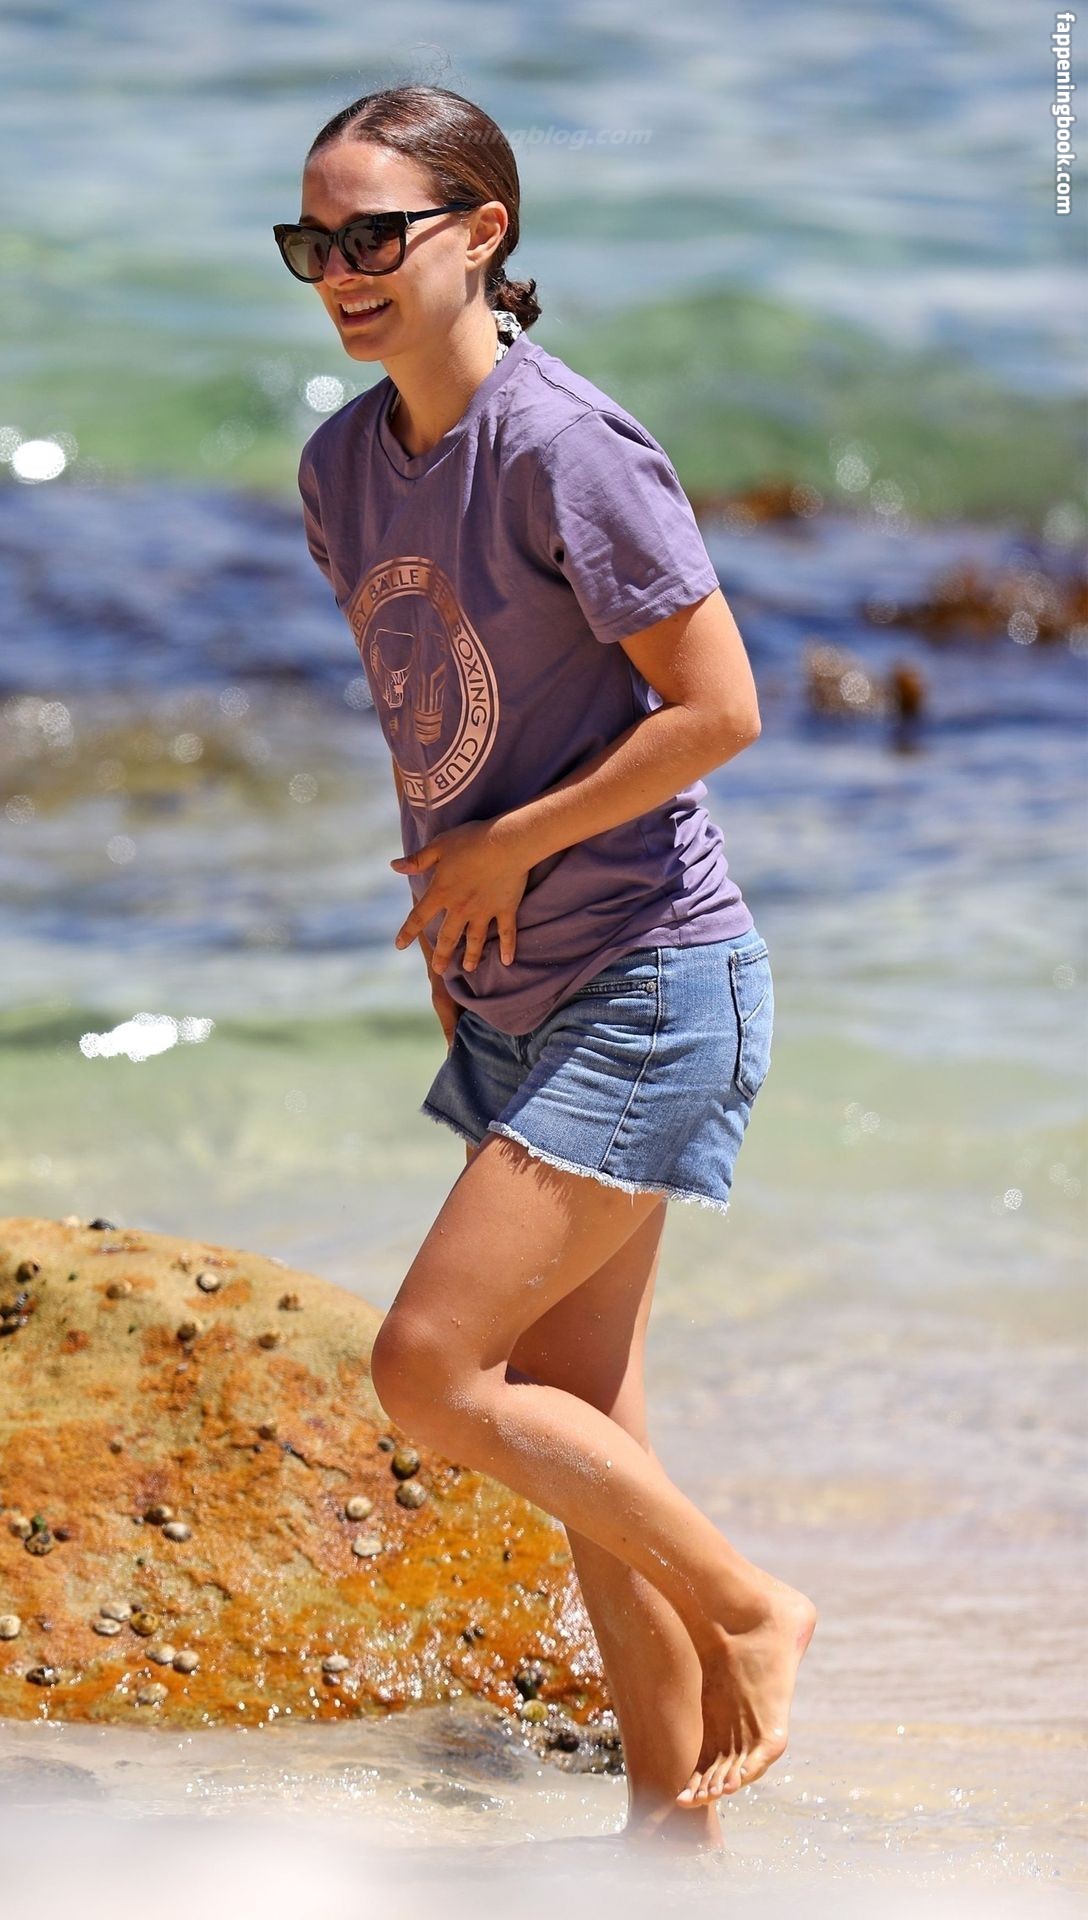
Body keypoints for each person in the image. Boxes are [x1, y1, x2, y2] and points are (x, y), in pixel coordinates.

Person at [277, 82, 816, 1850]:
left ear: (483, 233)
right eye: (312, 243)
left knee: (429, 1370)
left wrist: (509, 848)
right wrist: (447, 904)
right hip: (510, 989)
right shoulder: (342, 468)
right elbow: (424, 707)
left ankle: (752, 1604)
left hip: (651, 980)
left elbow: (719, 710)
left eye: (376, 233)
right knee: (587, 1436)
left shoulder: (568, 446)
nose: (343, 270)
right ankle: (673, 1841)